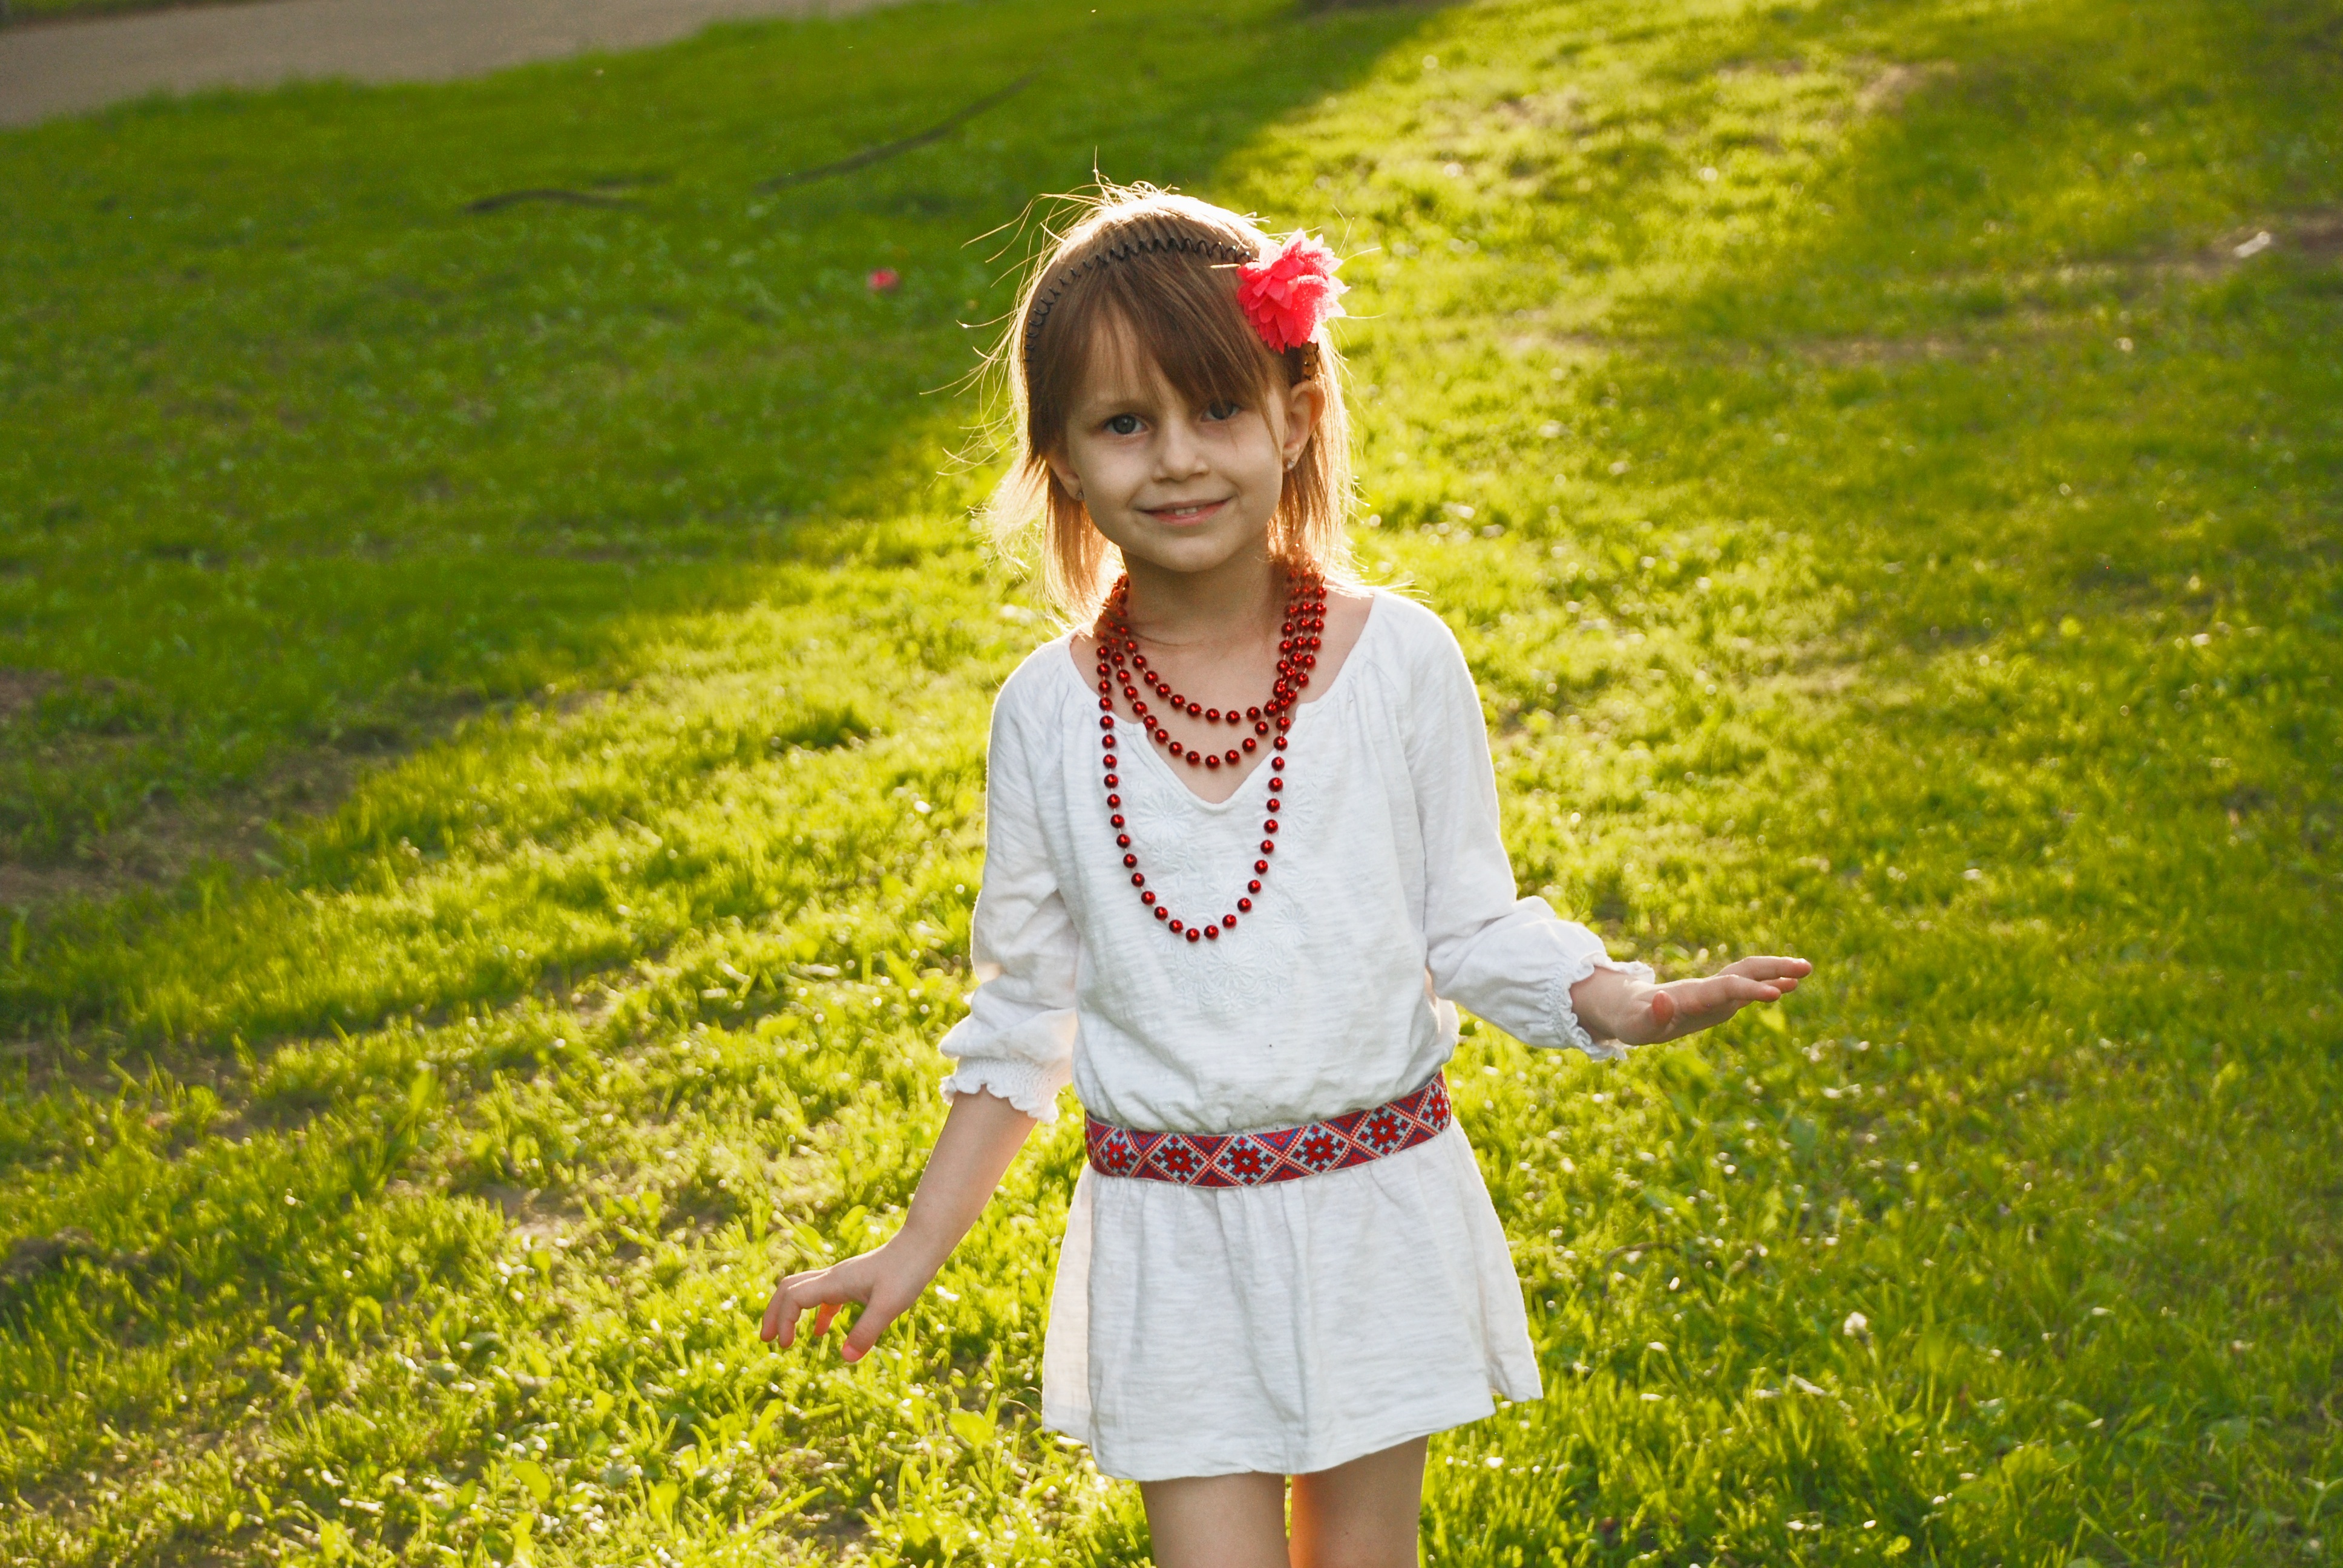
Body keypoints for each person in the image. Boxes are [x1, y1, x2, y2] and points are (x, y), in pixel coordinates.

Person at [761, 186, 1812, 1567]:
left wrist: (1608, 999)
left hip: (1370, 1205)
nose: (1178, 459)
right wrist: (913, 1244)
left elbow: (1469, 923)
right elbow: (1024, 1019)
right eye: (1124, 424)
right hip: (1171, 1237)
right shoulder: (1043, 713)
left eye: (1217, 411)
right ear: (1062, 460)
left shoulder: (1399, 664)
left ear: (1295, 418)